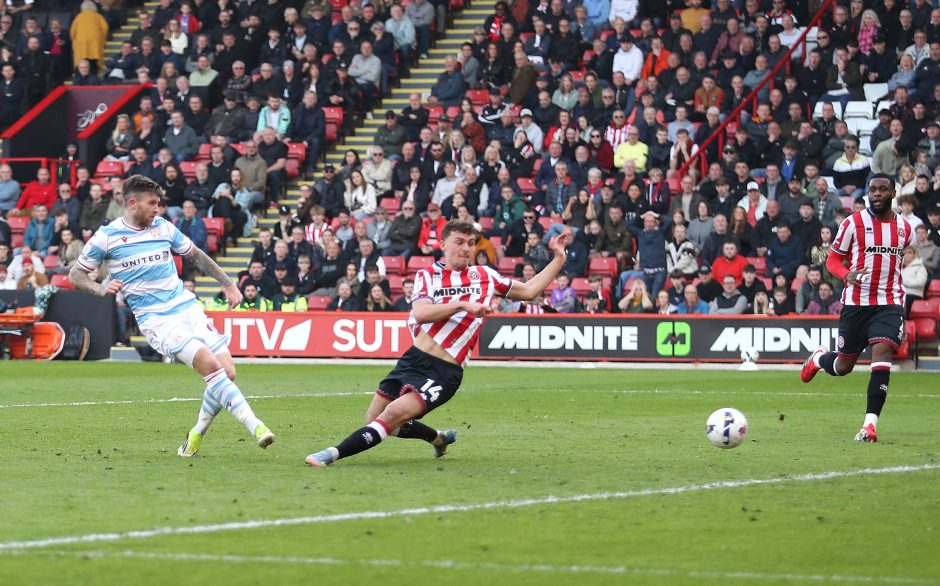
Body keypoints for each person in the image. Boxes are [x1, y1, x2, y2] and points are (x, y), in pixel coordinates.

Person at [305, 222, 570, 468]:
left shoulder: (485, 276)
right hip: (413, 359)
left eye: (470, 243)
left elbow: (529, 291)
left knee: (391, 414)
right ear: (443, 244)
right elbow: (421, 313)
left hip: (444, 371)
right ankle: (438, 438)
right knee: (374, 419)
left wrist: (558, 259)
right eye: (459, 242)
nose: (466, 248)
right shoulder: (427, 275)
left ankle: (331, 454)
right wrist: (462, 305)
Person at [69, 175, 275, 456]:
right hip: (157, 320)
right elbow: (76, 275)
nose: (158, 208)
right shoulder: (107, 236)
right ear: (133, 203)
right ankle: (257, 427)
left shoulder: (163, 227)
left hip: (186, 307)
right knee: (211, 366)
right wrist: (100, 288)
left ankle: (196, 434)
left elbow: (196, 255)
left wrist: (227, 284)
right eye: (152, 203)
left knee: (228, 372)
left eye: (159, 203)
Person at [801, 174, 915, 443]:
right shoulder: (853, 223)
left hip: (889, 302)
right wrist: (846, 275)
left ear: (893, 193)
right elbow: (832, 260)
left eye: (883, 189)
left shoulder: (905, 228)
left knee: (882, 351)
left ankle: (869, 426)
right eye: (872, 189)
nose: (877, 194)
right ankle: (819, 359)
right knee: (843, 366)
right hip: (856, 304)